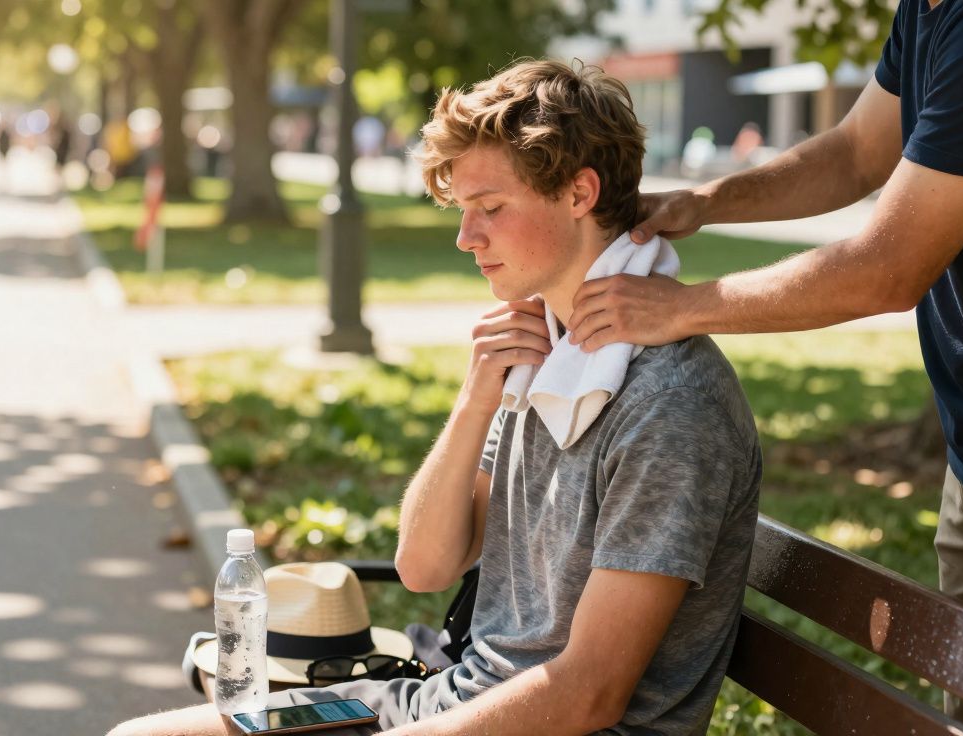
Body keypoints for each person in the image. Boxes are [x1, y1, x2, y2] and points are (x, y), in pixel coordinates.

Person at [108, 59, 762, 736]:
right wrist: (476, 398)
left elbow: (588, 694)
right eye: (463, 210)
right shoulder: (552, 354)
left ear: (579, 193)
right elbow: (424, 566)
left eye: (491, 208)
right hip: (444, 700)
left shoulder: (669, 401)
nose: (465, 237)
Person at [568, 3, 963, 733]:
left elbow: (886, 269)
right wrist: (707, 200)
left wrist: (681, 307)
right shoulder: (931, 10)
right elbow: (857, 151)